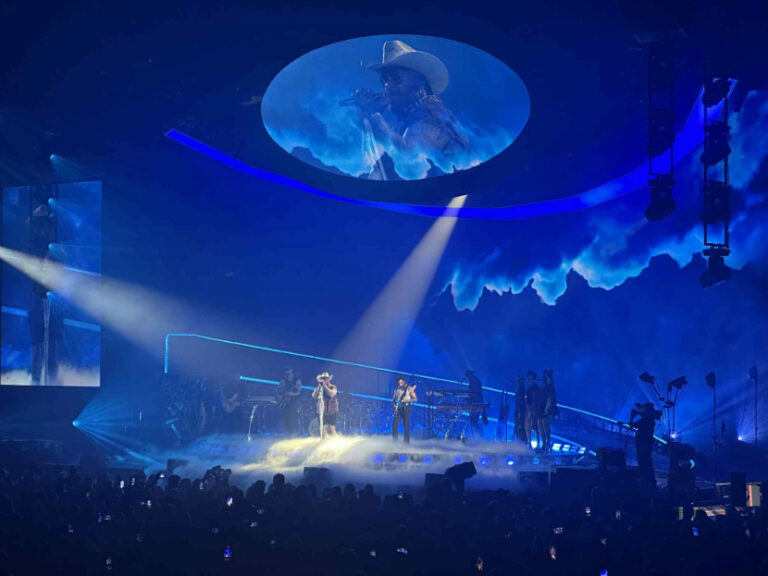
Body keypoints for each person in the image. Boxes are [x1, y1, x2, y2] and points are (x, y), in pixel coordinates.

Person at [348, 40, 470, 180]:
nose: (387, 86)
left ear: (419, 86)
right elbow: (375, 166)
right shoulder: (405, 122)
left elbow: (408, 160)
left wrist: (373, 116)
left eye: (396, 78)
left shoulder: (433, 114)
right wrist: (366, 119)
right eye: (384, 80)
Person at [630, 402, 660, 491]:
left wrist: (632, 417)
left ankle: (648, 483)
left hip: (642, 444)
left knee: (644, 463)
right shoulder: (650, 421)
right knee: (647, 463)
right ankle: (650, 483)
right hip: (646, 444)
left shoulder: (645, 421)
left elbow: (633, 425)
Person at [392, 375, 418, 443]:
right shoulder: (396, 389)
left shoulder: (409, 388)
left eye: (401, 383)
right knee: (394, 424)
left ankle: (406, 442)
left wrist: (407, 400)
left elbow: (415, 399)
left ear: (404, 382)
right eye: (399, 383)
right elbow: (394, 399)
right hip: (398, 408)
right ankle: (394, 441)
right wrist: (395, 405)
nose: (400, 384)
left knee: (406, 426)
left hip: (406, 408)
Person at [312, 372, 339, 437]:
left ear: (328, 379)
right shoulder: (320, 388)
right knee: (323, 428)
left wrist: (324, 386)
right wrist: (319, 385)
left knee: (331, 428)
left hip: (332, 411)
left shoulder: (333, 387)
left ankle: (336, 440)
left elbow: (331, 394)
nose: (325, 380)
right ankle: (324, 440)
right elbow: (314, 395)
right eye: (323, 379)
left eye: (326, 379)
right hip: (322, 411)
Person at [277, 368, 302, 436]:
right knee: (286, 417)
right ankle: (288, 432)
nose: (289, 374)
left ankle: (293, 433)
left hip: (293, 402)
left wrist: (291, 394)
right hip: (285, 403)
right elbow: (279, 390)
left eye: (291, 372)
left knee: (292, 417)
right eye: (288, 372)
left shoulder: (297, 381)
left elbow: (299, 392)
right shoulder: (283, 380)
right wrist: (283, 394)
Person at [539, 369, 559, 454]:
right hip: (545, 409)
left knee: (545, 426)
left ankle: (547, 444)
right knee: (543, 427)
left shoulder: (549, 387)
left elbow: (549, 400)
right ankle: (545, 444)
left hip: (549, 410)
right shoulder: (546, 387)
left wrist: (546, 410)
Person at [525, 371, 540, 449]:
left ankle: (537, 443)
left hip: (533, 409)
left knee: (534, 426)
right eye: (529, 379)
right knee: (528, 426)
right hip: (529, 408)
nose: (529, 380)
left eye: (530, 379)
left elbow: (534, 400)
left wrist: (531, 410)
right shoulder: (530, 388)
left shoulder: (535, 388)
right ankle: (529, 443)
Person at [513, 375, 528, 445]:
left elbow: (521, 401)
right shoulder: (518, 389)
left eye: (518, 380)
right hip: (518, 410)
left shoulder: (521, 389)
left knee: (520, 426)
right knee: (518, 426)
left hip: (520, 410)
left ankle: (522, 441)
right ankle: (519, 440)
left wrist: (519, 411)